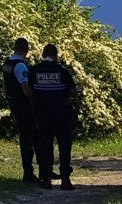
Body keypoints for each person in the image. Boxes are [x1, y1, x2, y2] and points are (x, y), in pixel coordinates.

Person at [31, 43, 77, 190]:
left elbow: (29, 91)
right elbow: (73, 90)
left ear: (43, 55)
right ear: (56, 56)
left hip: (43, 114)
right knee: (64, 147)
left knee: (45, 145)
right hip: (62, 114)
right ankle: (65, 180)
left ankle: (46, 179)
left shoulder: (35, 70)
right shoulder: (62, 70)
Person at [2, 37, 37, 183]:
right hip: (24, 106)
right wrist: (35, 104)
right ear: (26, 50)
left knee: (25, 139)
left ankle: (28, 171)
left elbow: (5, 84)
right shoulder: (21, 66)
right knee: (30, 139)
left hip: (14, 103)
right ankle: (29, 173)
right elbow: (26, 89)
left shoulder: (7, 63)